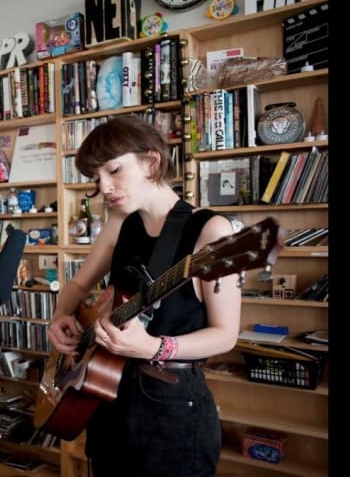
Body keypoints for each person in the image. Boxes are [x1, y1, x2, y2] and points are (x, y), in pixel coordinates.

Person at [47, 115, 241, 476]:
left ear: (151, 161)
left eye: (114, 170)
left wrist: (154, 348)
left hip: (171, 406)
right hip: (107, 397)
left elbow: (226, 334)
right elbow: (76, 286)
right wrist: (61, 315)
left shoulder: (211, 231)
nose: (104, 186)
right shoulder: (120, 224)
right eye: (97, 177)